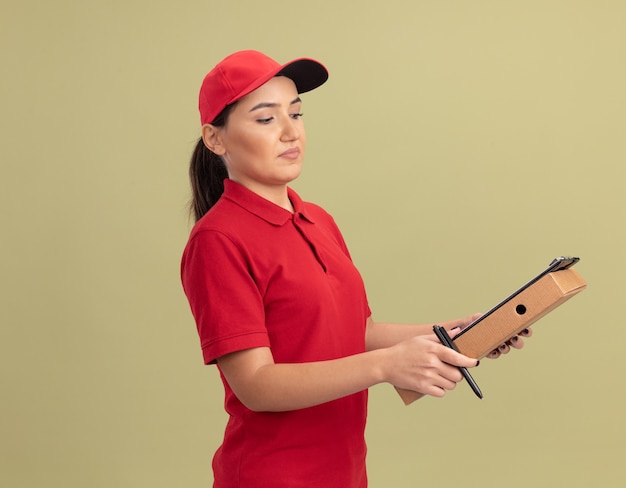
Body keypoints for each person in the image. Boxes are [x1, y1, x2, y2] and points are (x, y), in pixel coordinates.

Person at [180, 50, 530, 488]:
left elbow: (351, 333)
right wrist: (388, 366)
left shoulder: (318, 220)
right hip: (271, 476)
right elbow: (256, 385)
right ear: (215, 139)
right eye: (266, 119)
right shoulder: (218, 240)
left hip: (344, 472)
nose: (291, 132)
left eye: (297, 113)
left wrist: (451, 333)